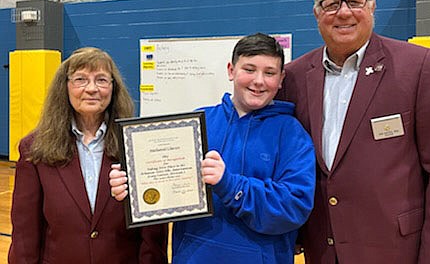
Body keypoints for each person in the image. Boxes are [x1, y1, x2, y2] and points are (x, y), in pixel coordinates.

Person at [275, 0, 430, 264]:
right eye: (331, 3)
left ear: (373, 5)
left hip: (396, 250)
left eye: (355, 1)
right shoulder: (295, 77)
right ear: (316, 13)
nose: (344, 12)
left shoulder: (416, 66)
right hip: (322, 251)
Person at [110, 33, 316, 263]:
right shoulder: (196, 124)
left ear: (281, 79)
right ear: (231, 70)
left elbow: (293, 207)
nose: (258, 81)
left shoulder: (292, 134)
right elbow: (166, 192)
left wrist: (230, 184)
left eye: (269, 73)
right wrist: (132, 186)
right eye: (249, 69)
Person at [9, 47, 168, 264]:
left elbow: (152, 231)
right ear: (64, 87)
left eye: (101, 80)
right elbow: (25, 232)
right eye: (80, 79)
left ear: (113, 88)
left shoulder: (138, 143)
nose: (92, 88)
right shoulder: (34, 148)